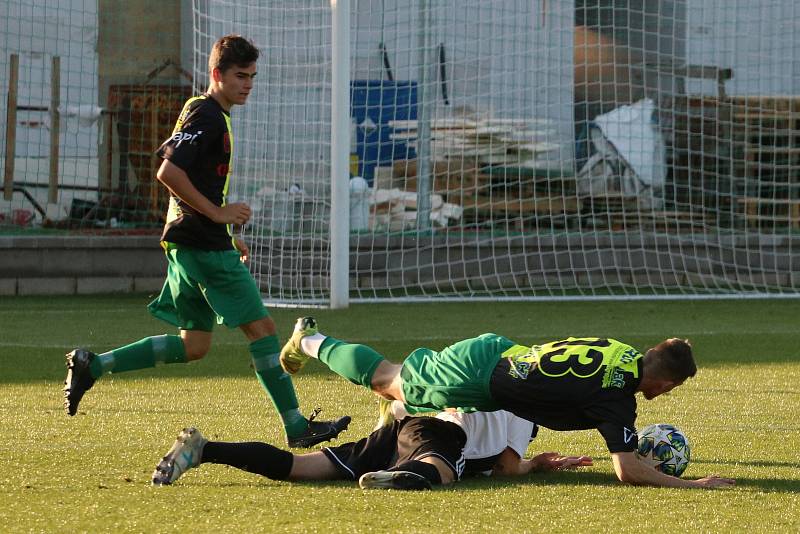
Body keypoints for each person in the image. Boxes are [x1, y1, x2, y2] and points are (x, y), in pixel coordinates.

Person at [62, 35, 349, 448]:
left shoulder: (203, 111)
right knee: (264, 329)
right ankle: (297, 427)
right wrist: (218, 217)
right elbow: (168, 172)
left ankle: (94, 365)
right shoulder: (209, 115)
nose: (247, 84)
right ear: (217, 74)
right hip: (200, 244)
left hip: (191, 243)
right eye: (239, 76)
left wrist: (227, 233)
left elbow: (193, 180)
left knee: (194, 345)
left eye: (252, 76)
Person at [279, 317, 736, 489]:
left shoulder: (618, 349)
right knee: (387, 378)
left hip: (497, 355)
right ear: (661, 379)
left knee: (394, 385)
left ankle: (397, 412)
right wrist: (693, 486)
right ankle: (311, 339)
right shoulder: (617, 397)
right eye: (669, 389)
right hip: (480, 375)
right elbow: (627, 470)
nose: (663, 396)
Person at [151, 403, 592, 490]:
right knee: (441, 469)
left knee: (302, 468)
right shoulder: (527, 409)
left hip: (400, 429)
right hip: (440, 437)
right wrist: (540, 463)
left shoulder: (487, 376)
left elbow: (399, 403)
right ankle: (400, 477)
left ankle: (206, 450)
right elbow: (508, 469)